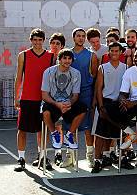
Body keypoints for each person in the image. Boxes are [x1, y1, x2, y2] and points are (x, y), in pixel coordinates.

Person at [13, 28, 55, 172]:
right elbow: (19, 78)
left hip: (43, 99)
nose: (37, 42)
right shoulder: (23, 55)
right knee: (22, 129)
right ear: (31, 40)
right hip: (27, 98)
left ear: (44, 41)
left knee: (42, 130)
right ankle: (21, 158)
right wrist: (16, 97)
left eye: (40, 40)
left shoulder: (51, 57)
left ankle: (42, 157)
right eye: (35, 40)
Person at [91, 42, 128, 173]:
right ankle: (97, 160)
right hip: (106, 102)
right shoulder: (103, 67)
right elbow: (99, 89)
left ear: (120, 52)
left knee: (123, 133)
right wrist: (101, 106)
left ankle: (123, 158)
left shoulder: (126, 67)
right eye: (111, 51)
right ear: (109, 52)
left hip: (119, 103)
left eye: (116, 51)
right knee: (100, 134)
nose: (113, 53)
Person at [41, 49, 85, 154]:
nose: (67, 60)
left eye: (69, 58)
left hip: (67, 103)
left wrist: (70, 103)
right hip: (53, 103)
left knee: (83, 108)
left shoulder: (76, 73)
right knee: (45, 111)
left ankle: (69, 135)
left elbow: (75, 95)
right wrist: (57, 104)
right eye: (64, 58)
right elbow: (44, 95)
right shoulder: (49, 72)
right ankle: (54, 133)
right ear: (59, 60)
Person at [69, 28, 99, 167]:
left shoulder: (91, 55)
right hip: (69, 95)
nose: (80, 38)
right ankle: (70, 156)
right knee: (71, 126)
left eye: (83, 36)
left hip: (86, 93)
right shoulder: (67, 54)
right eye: (78, 36)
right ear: (74, 38)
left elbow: (94, 76)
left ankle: (90, 156)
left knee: (87, 127)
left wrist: (93, 98)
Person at [48, 32, 66, 165]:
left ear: (62, 46)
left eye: (58, 43)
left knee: (59, 125)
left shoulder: (65, 59)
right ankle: (41, 154)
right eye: (53, 43)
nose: (55, 45)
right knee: (45, 126)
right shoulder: (45, 57)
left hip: (60, 98)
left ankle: (58, 153)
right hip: (47, 97)